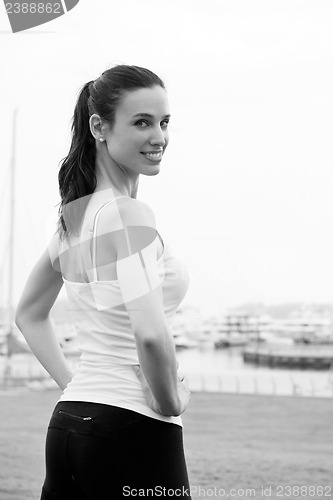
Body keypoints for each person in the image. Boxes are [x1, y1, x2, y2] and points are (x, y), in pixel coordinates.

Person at [15, 64, 192, 499]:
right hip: (131, 427)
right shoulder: (127, 215)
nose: (159, 137)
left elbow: (29, 315)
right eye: (142, 122)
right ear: (99, 126)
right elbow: (150, 334)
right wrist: (172, 401)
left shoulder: (72, 222)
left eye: (164, 122)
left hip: (69, 426)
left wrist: (74, 385)